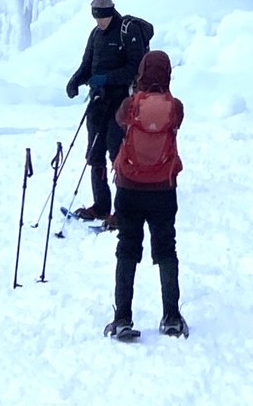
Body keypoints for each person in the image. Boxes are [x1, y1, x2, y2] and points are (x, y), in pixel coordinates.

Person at [105, 50, 186, 342]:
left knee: (127, 248)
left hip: (129, 187)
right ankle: (171, 316)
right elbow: (176, 124)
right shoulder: (175, 107)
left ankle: (122, 318)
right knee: (166, 249)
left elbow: (119, 120)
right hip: (163, 188)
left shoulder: (130, 104)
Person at [64, 0, 153, 223]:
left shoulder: (127, 31)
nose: (99, 22)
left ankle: (122, 210)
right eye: (96, 18)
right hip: (98, 102)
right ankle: (101, 205)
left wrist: (106, 79)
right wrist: (75, 81)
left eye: (102, 18)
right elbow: (87, 65)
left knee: (117, 153)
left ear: (110, 13)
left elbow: (134, 68)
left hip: (121, 103)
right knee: (95, 153)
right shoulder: (95, 35)